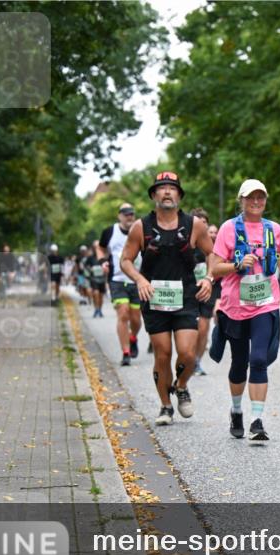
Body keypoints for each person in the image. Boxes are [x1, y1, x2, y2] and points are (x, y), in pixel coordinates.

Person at [120, 171, 214, 426]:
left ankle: (181, 386)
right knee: (162, 354)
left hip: (186, 297)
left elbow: (212, 253)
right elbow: (125, 260)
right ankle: (165, 406)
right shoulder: (141, 227)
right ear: (154, 195)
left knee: (187, 353)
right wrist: (140, 280)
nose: (167, 192)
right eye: (162, 188)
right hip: (154, 297)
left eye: (172, 188)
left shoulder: (194, 225)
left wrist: (208, 278)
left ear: (179, 195)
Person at [211, 179, 280, 442]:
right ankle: (236, 411)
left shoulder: (274, 229)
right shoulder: (228, 229)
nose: (256, 202)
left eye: (260, 197)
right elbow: (214, 268)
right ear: (242, 200)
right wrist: (237, 265)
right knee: (239, 362)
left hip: (265, 303)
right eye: (251, 197)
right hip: (235, 306)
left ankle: (257, 421)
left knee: (258, 359)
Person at [99, 203, 144, 365]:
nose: (129, 217)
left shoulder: (140, 230)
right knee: (123, 313)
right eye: (125, 214)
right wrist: (103, 261)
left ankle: (133, 337)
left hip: (137, 280)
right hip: (117, 280)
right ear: (119, 216)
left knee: (136, 319)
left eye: (131, 214)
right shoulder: (110, 232)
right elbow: (100, 248)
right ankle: (126, 352)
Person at [191, 215, 219, 375]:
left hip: (207, 290)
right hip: (188, 292)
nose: (201, 226)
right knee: (189, 330)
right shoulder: (186, 243)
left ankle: (197, 361)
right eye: (198, 223)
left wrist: (209, 278)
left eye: (204, 223)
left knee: (203, 328)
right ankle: (187, 357)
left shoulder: (213, 248)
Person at [84, 243, 107, 317]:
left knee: (101, 295)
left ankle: (99, 310)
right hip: (94, 278)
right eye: (94, 247)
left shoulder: (103, 257)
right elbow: (86, 266)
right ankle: (96, 309)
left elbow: (108, 266)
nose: (96, 248)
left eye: (97, 247)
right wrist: (90, 269)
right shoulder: (90, 258)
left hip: (102, 279)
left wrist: (105, 269)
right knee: (95, 293)